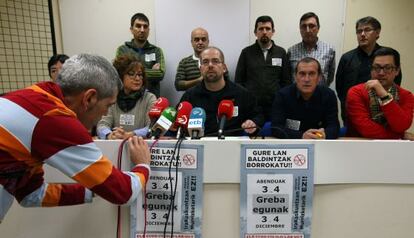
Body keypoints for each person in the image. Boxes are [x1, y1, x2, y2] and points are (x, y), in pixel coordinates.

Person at [0, 54, 151, 223]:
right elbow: (124, 192)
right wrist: (142, 166)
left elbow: (32, 195)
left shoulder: (34, 97)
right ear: (89, 98)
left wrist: (96, 188)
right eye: (108, 105)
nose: (106, 113)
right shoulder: (54, 119)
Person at [180, 46, 264, 136]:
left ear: (224, 68)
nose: (210, 65)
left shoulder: (242, 94)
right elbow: (179, 121)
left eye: (215, 61)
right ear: (201, 69)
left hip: (232, 146)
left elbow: (259, 116)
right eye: (205, 62)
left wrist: (252, 123)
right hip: (200, 145)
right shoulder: (190, 96)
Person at [336, 16, 403, 123]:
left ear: (377, 33)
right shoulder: (347, 58)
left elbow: (396, 85)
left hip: (383, 114)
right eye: (359, 31)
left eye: (367, 30)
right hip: (353, 115)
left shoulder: (389, 56)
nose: (362, 34)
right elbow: (340, 88)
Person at [346, 47, 413, 139]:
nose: (381, 73)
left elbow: (401, 126)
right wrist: (399, 136)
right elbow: (367, 130)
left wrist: (383, 95)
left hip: (394, 147)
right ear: (371, 69)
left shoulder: (406, 95)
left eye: (387, 68)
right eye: (376, 68)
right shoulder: (356, 92)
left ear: (397, 70)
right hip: (360, 144)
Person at [235, 15, 290, 121]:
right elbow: (239, 81)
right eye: (261, 29)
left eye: (268, 29)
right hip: (252, 106)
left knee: (275, 133)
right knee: (252, 134)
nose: (264, 32)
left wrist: (281, 99)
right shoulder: (246, 52)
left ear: (273, 31)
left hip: (275, 106)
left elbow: (286, 81)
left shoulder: (281, 52)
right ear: (255, 32)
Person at [271, 57, 339, 139]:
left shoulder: (328, 95)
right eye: (302, 74)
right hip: (292, 145)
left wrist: (323, 135)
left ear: (319, 77)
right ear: (295, 76)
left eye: (312, 74)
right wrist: (302, 136)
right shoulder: (282, 95)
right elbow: (276, 128)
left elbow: (334, 127)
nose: (307, 79)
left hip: (320, 143)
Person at [97, 55, 156, 139]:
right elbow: (102, 124)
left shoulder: (149, 98)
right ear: (120, 76)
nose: (137, 78)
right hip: (115, 145)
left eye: (140, 74)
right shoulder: (112, 97)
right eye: (132, 74)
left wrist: (131, 134)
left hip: (142, 145)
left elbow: (152, 127)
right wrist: (110, 135)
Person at [116, 13, 165, 97]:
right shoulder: (122, 49)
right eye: (138, 26)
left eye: (145, 27)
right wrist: (151, 71)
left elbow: (160, 74)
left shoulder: (157, 51)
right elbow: (120, 73)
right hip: (127, 99)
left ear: (148, 30)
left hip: (151, 98)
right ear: (131, 29)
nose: (142, 30)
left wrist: (131, 72)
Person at [287, 12, 335, 86]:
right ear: (300, 29)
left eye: (311, 26)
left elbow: (330, 77)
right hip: (296, 96)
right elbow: (289, 77)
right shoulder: (291, 51)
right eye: (304, 26)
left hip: (320, 95)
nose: (308, 30)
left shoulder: (329, 50)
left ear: (318, 28)